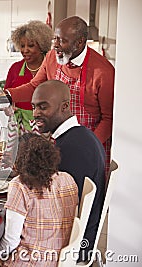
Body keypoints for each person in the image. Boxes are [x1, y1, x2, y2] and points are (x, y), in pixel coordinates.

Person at [5, 16, 114, 178]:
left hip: (90, 144)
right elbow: (35, 87)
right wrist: (7, 95)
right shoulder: (51, 58)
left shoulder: (103, 71)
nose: (55, 45)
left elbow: (108, 118)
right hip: (58, 141)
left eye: (62, 41)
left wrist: (88, 145)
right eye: (55, 39)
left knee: (83, 194)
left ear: (80, 42)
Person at [31, 80, 105, 261]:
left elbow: (56, 207)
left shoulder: (72, 147)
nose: (35, 114)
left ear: (65, 106)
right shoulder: (81, 136)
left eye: (43, 107)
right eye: (34, 107)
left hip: (74, 244)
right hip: (78, 235)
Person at [0, 133, 78, 266]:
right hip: (60, 259)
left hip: (31, 261)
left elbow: (11, 241)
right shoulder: (67, 179)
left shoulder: (20, 185)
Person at [4, 20, 53, 134]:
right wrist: (9, 108)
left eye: (31, 46)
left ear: (42, 46)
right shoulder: (15, 69)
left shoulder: (52, 66)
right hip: (19, 126)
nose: (25, 50)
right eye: (22, 46)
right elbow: (7, 97)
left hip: (47, 125)